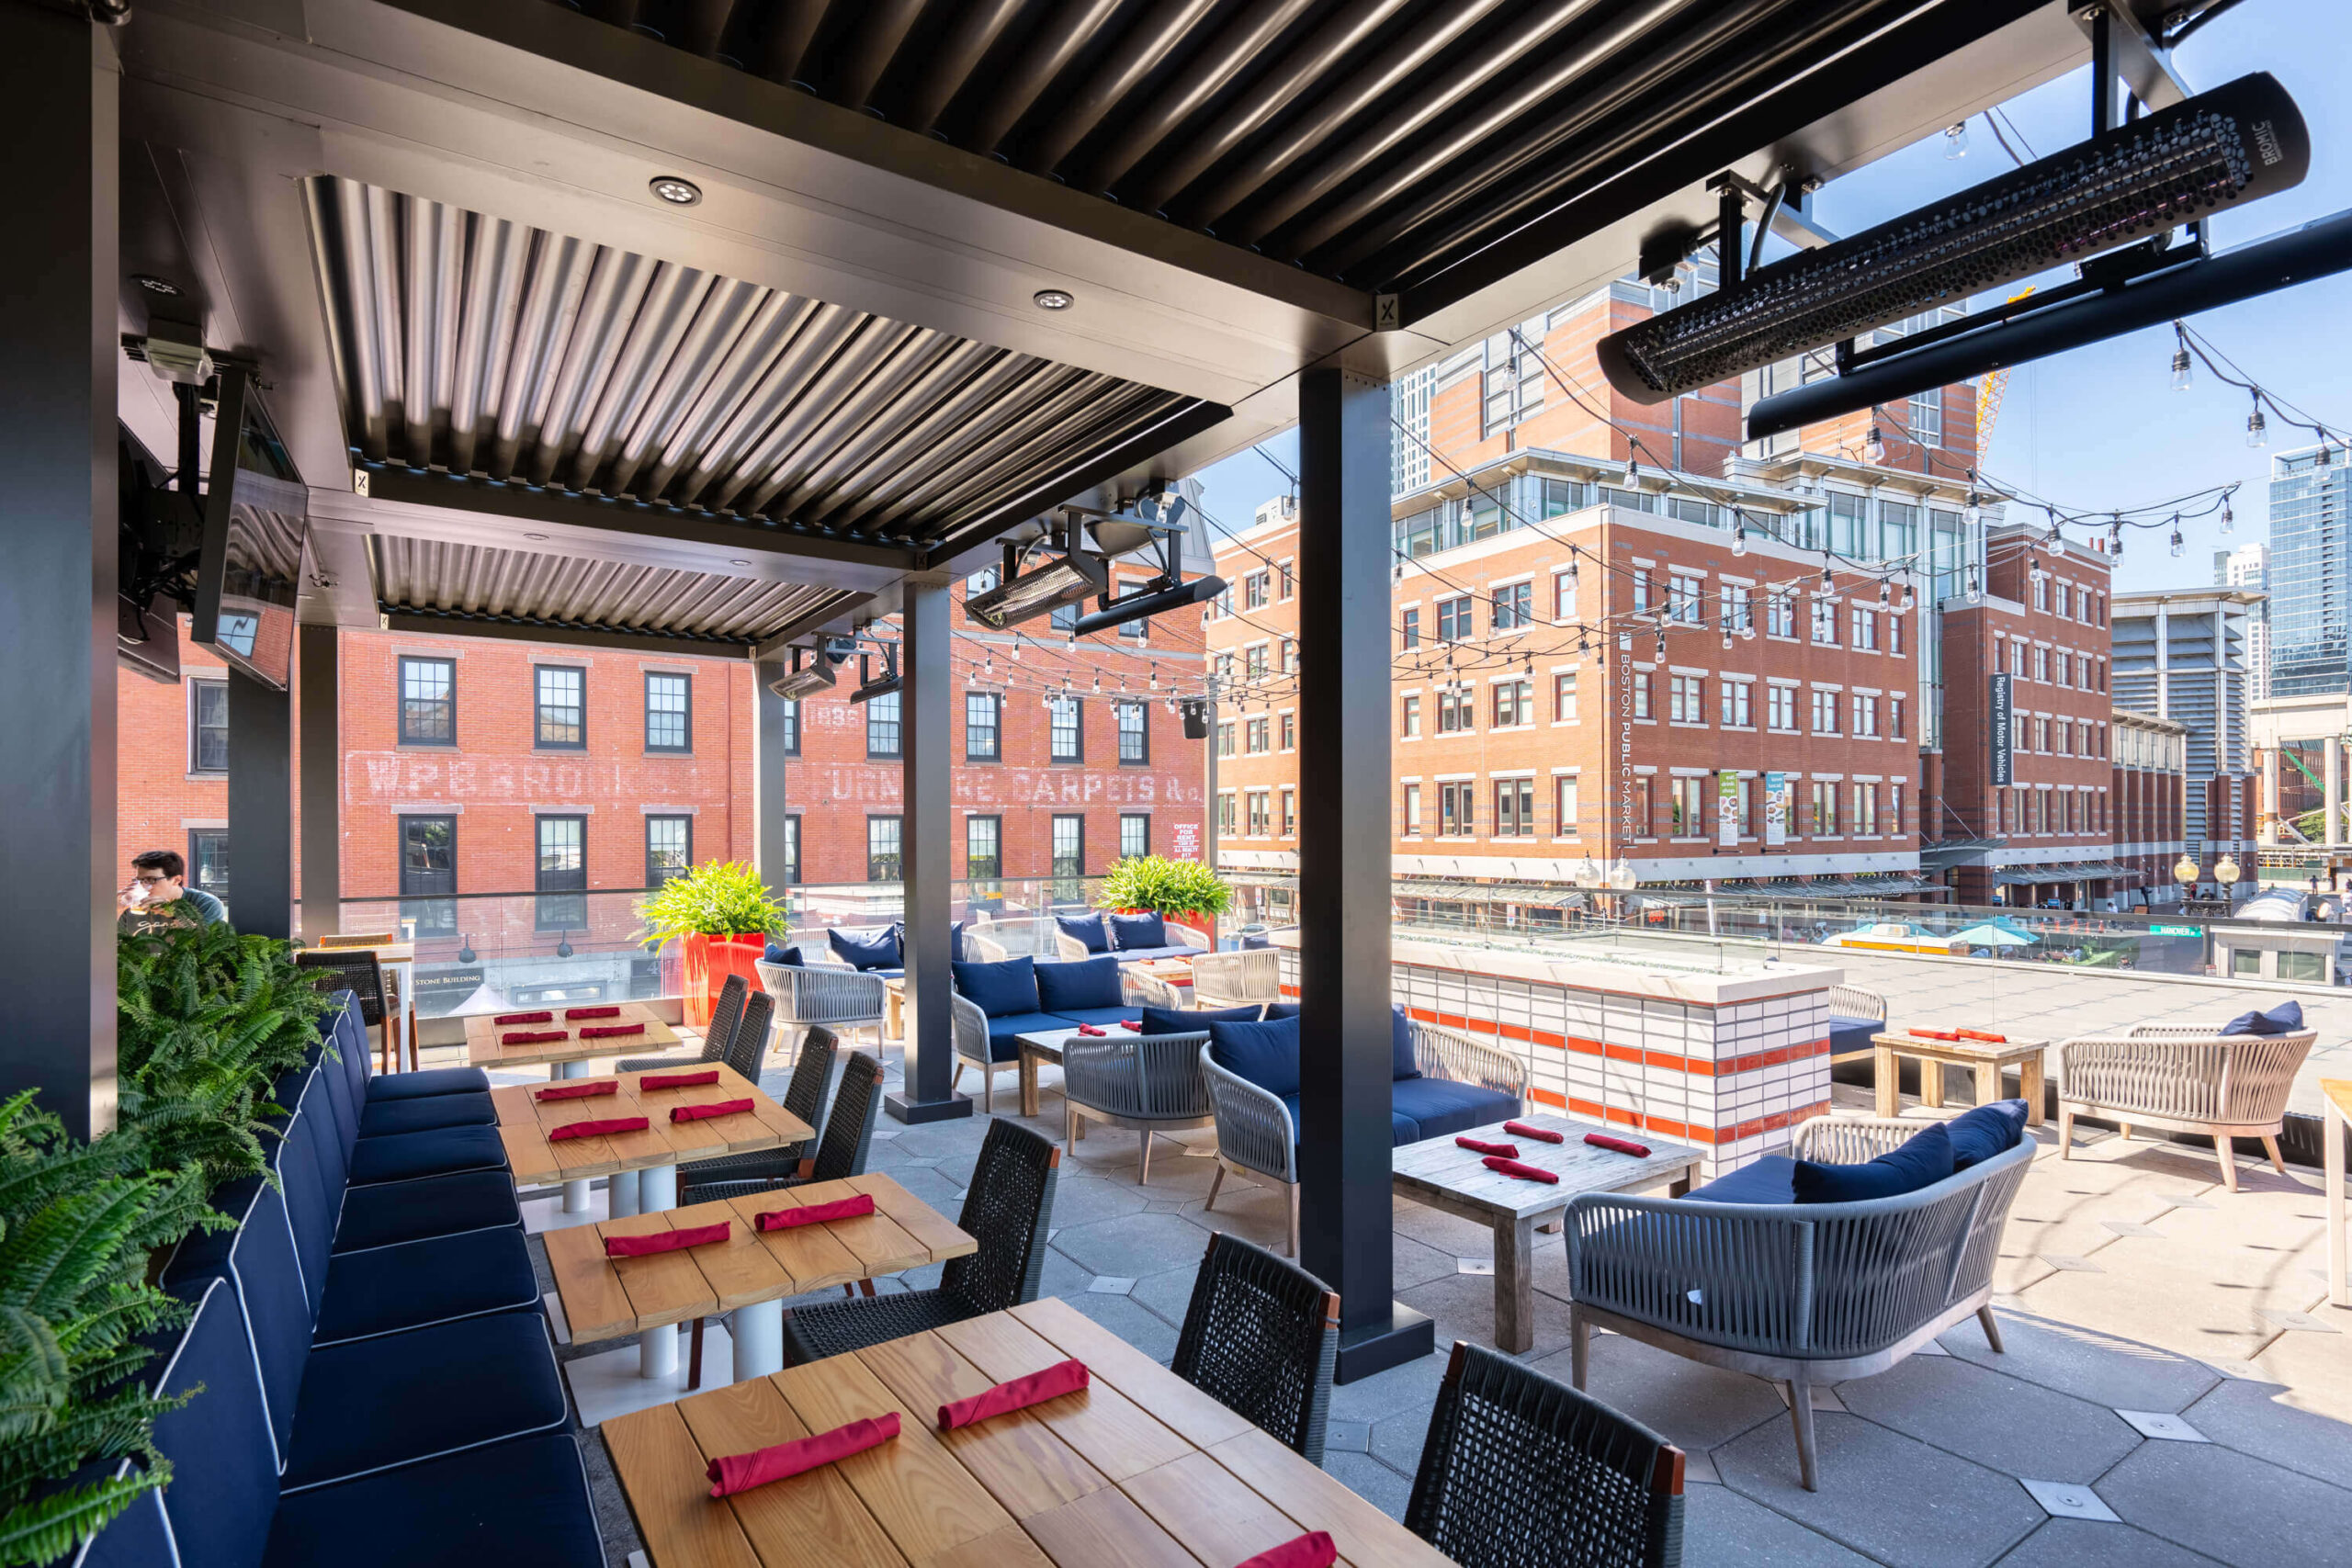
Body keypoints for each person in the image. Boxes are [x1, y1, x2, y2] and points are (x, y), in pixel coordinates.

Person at [120, 849, 228, 931]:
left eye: (151, 879)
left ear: (176, 880)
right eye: (140, 880)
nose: (142, 886)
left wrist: (175, 913)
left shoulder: (205, 903)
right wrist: (115, 910)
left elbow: (208, 944)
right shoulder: (134, 904)